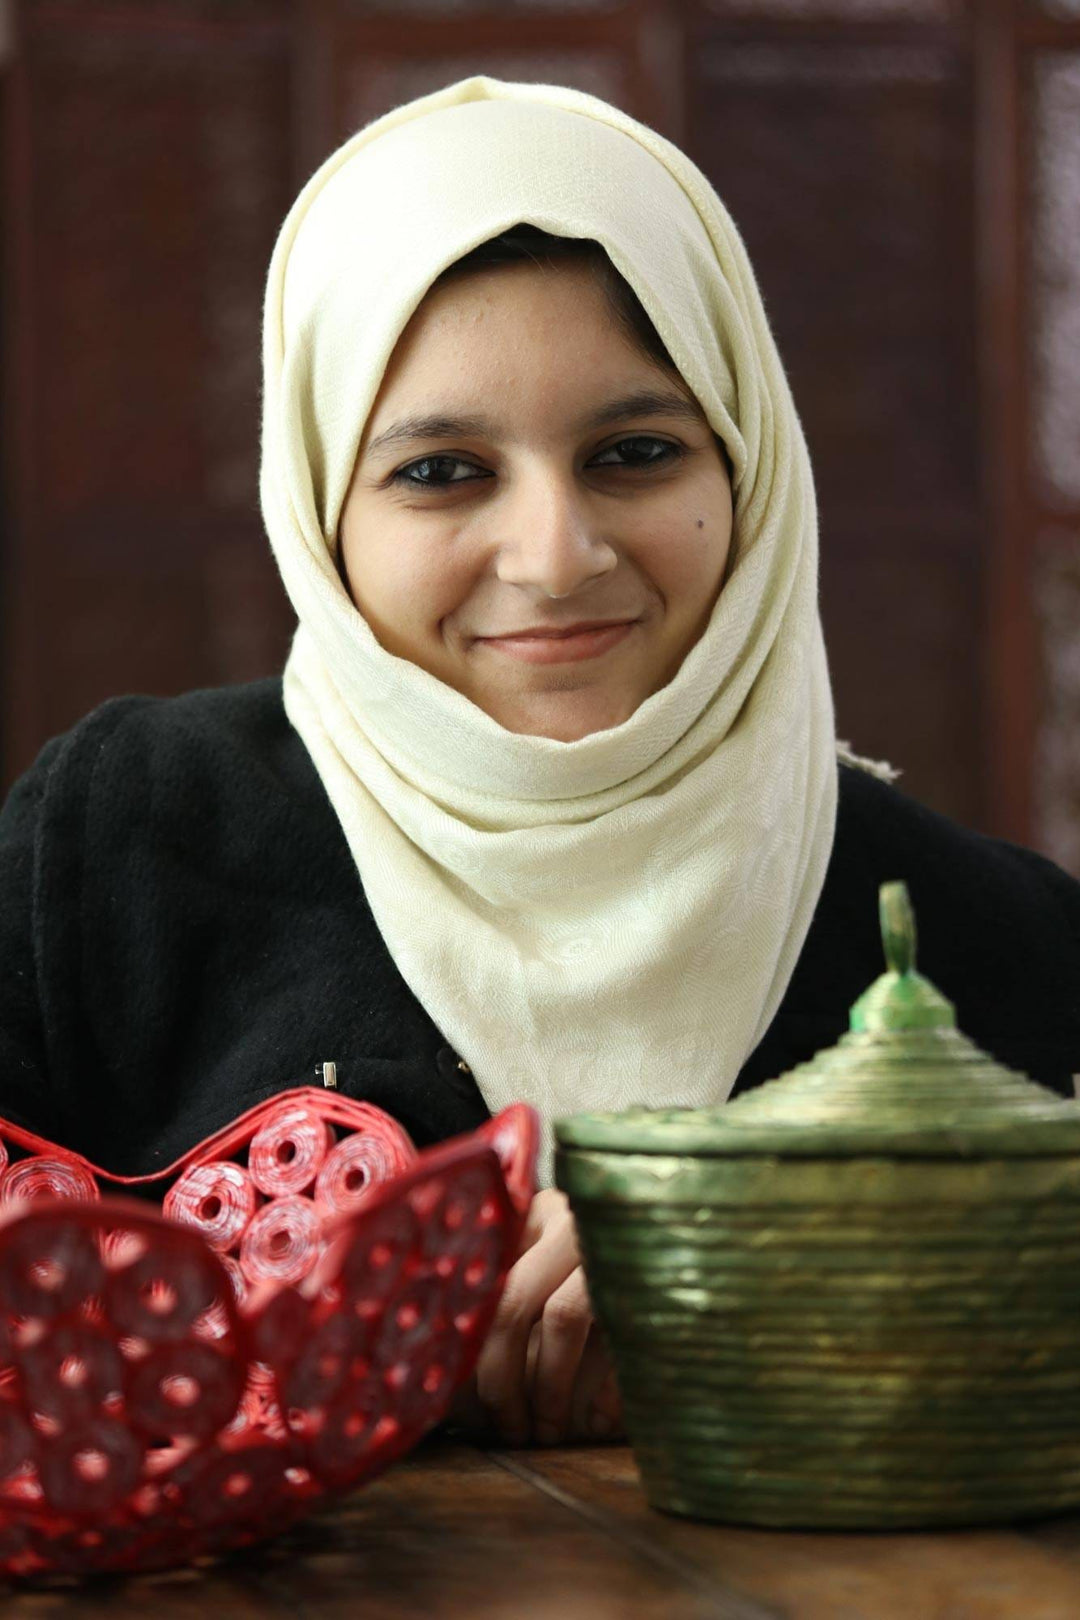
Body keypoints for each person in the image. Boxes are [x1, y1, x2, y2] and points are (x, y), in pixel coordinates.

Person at [2, 78, 1079, 1451]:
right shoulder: (124, 840)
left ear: (749, 466)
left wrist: (771, 1280)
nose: (558, 552)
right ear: (318, 507)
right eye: (443, 472)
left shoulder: (994, 946)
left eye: (635, 453)